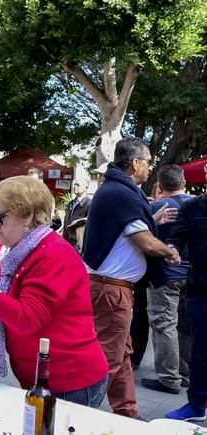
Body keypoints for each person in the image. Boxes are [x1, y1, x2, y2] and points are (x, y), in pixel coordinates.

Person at [0, 176, 108, 408]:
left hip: (69, 381)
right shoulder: (27, 250)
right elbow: (27, 305)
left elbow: (27, 318)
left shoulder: (51, 254)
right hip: (47, 379)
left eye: (0, 217)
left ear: (27, 215)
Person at [82, 137, 181, 419]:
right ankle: (75, 413)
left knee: (121, 355)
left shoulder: (117, 189)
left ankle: (128, 414)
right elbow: (146, 242)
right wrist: (169, 251)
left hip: (111, 289)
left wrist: (152, 217)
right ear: (135, 163)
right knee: (109, 361)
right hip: (112, 292)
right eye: (148, 160)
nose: (150, 166)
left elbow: (131, 224)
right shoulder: (121, 193)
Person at [141, 165, 193, 395]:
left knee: (164, 325)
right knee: (184, 325)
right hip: (194, 276)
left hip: (165, 275)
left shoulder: (156, 207)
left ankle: (169, 378)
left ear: (160, 186)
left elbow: (142, 239)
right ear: (184, 183)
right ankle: (184, 373)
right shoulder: (199, 204)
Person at [164, 162, 207, 422]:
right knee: (200, 351)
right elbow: (176, 237)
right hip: (201, 292)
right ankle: (196, 405)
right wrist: (172, 249)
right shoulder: (193, 208)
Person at [63, 180, 91, 252]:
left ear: (86, 188)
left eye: (78, 185)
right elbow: (66, 224)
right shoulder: (70, 204)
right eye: (75, 184)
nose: (75, 187)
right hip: (67, 244)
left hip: (79, 246)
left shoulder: (89, 204)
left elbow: (90, 225)